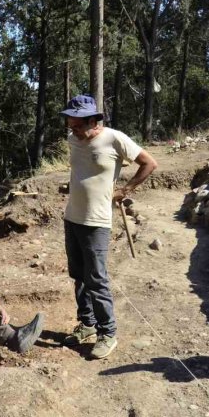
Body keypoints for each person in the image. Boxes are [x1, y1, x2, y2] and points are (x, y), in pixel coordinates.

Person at [60, 95, 158, 359]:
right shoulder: (73, 140)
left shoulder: (115, 139)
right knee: (79, 276)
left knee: (97, 279)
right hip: (72, 218)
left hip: (97, 222)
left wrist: (125, 189)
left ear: (94, 121)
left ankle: (108, 333)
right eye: (71, 125)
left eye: (78, 125)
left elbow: (149, 163)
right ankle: (88, 324)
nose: (74, 130)